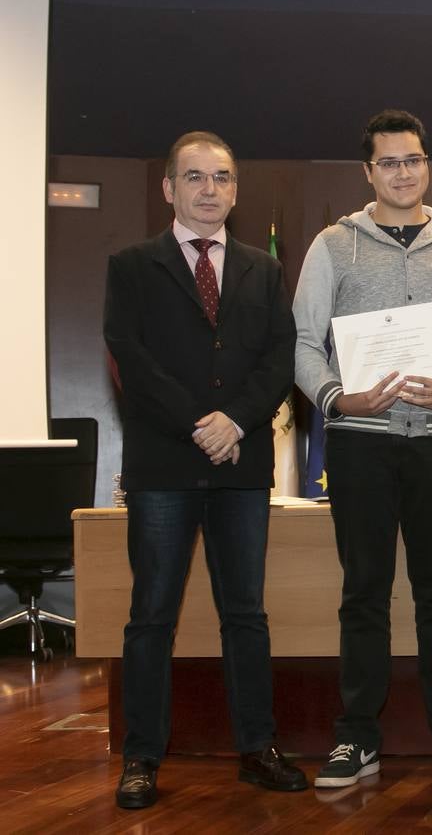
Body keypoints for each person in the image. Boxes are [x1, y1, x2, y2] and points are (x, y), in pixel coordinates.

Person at [292, 109, 432, 787]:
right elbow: (301, 341)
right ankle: (356, 738)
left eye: (412, 160)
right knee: (363, 592)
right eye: (389, 162)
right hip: (359, 443)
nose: (403, 172)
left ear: (426, 165)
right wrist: (335, 399)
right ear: (369, 172)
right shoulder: (333, 246)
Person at [103, 131, 306, 810]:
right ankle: (141, 758)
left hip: (240, 466)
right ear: (168, 188)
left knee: (245, 614)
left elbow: (280, 357)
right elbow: (131, 358)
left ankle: (257, 748)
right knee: (151, 616)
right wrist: (201, 422)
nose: (209, 189)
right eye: (194, 177)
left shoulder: (263, 269)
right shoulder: (132, 266)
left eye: (221, 177)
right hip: (164, 465)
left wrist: (236, 422)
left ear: (235, 189)